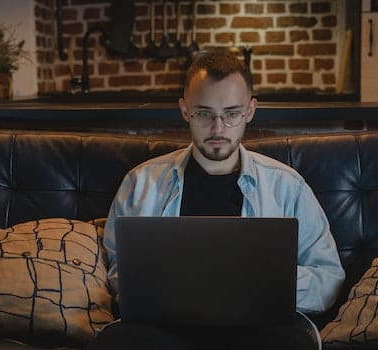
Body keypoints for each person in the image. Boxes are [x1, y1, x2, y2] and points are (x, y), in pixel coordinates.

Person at [88, 50, 345, 350]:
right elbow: (120, 273)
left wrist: (264, 285)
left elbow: (328, 278)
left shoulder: (287, 186)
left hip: (259, 329)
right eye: (204, 113)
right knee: (114, 342)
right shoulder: (140, 183)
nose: (218, 129)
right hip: (164, 329)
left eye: (232, 113)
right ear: (185, 110)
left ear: (250, 111)